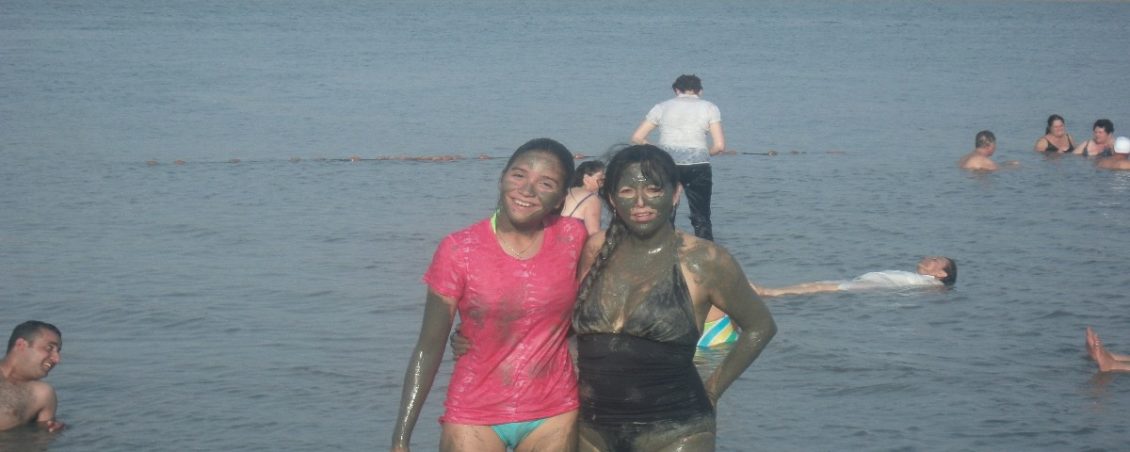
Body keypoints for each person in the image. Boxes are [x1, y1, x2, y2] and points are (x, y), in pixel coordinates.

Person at [572, 144, 775, 451]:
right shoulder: (596, 249)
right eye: (627, 191)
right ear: (611, 198)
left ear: (676, 193)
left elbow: (760, 326)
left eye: (654, 189)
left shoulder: (704, 259)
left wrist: (712, 390)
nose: (641, 202)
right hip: (592, 429)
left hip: (677, 431)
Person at [391, 138, 586, 452]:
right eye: (519, 175)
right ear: (502, 178)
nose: (527, 190)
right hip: (474, 410)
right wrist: (401, 438)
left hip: (553, 408)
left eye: (546, 183)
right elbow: (429, 346)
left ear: (561, 199)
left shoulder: (574, 237)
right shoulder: (459, 249)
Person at [631, 74, 726, 241]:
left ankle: (662, 247)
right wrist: (703, 153)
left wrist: (660, 152)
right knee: (701, 215)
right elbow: (719, 146)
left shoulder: (661, 107)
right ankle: (706, 249)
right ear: (700, 91)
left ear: (676, 90)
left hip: (667, 165)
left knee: (665, 211)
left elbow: (637, 138)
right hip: (698, 165)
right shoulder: (710, 108)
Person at [752, 256, 956, 298]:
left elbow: (939, 292)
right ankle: (771, 291)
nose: (928, 259)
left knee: (822, 288)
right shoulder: (920, 279)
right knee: (818, 283)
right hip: (865, 281)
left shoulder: (932, 284)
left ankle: (769, 292)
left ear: (941, 274)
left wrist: (941, 289)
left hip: (873, 286)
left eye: (935, 260)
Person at [0, 321, 65, 432]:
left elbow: (42, 438)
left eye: (58, 351)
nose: (57, 359)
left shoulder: (42, 395)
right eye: (49, 348)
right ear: (21, 345)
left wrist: (54, 432)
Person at [562, 160, 606, 236]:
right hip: (571, 241)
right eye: (601, 179)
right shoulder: (591, 199)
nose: (603, 182)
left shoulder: (566, 192)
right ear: (586, 179)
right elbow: (593, 234)